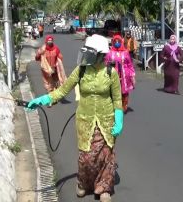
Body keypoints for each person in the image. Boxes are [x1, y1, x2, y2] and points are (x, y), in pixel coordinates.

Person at [27, 34, 123, 202]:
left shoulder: (111, 73)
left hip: (106, 121)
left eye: (91, 52)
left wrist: (119, 119)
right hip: (85, 121)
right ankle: (83, 183)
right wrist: (43, 100)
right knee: (86, 156)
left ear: (100, 54)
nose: (87, 55)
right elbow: (62, 91)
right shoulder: (81, 70)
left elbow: (117, 99)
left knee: (106, 155)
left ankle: (104, 187)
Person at [105, 34, 136, 113]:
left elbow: (130, 64)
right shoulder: (109, 53)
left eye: (119, 41)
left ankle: (123, 107)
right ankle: (113, 107)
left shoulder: (125, 52)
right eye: (116, 41)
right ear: (113, 42)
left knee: (124, 92)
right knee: (113, 91)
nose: (117, 43)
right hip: (113, 75)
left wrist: (132, 75)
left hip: (125, 75)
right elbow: (106, 63)